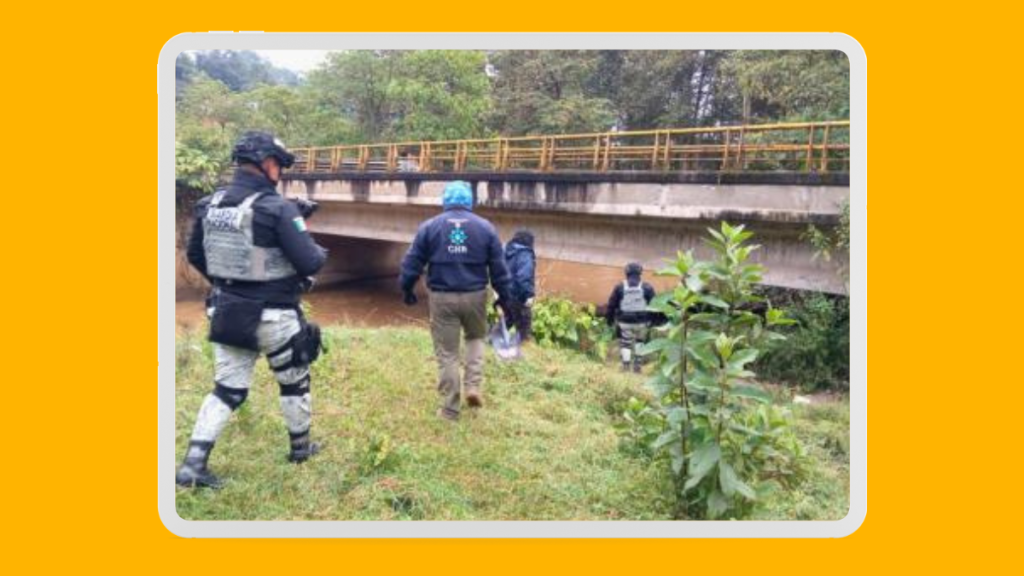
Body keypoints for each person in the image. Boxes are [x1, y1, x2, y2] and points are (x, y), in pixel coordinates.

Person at [176, 131, 329, 489]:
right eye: (278, 164)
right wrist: (304, 229)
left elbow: (197, 255)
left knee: (226, 390)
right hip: (275, 315)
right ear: (268, 163)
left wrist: (232, 283)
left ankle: (192, 466)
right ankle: (300, 450)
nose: (280, 171)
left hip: (226, 311)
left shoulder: (210, 204)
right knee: (294, 381)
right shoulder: (278, 208)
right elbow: (309, 261)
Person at [399, 181, 513, 421]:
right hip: (476, 295)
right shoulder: (486, 228)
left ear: (446, 200)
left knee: (448, 352)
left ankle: (450, 409)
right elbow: (500, 269)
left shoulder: (429, 227)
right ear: (470, 201)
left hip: (442, 297)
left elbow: (411, 264)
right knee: (475, 338)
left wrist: (407, 288)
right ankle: (473, 386)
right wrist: (505, 298)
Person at [605, 262, 657, 373]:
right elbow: (656, 305)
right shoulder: (647, 287)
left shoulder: (619, 287)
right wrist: (654, 321)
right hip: (642, 322)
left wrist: (609, 320)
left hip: (624, 321)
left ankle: (626, 366)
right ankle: (637, 365)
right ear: (640, 273)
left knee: (626, 342)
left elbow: (611, 305)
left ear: (626, 273)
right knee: (640, 341)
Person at [503, 228, 536, 342]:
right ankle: (524, 348)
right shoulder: (525, 254)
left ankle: (491, 340)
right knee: (524, 325)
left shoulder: (506, 250)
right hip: (517, 295)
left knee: (507, 320)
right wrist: (528, 295)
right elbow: (524, 277)